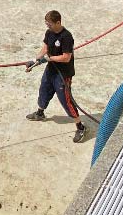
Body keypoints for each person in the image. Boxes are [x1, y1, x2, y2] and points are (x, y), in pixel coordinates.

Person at [26, 10, 86, 143]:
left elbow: (66, 57)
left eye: (50, 24)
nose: (48, 27)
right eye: (47, 24)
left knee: (66, 101)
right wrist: (35, 60)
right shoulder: (49, 33)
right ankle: (40, 113)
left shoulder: (66, 37)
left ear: (58, 22)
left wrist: (49, 59)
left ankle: (80, 127)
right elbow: (46, 47)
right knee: (44, 91)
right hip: (51, 70)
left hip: (63, 75)